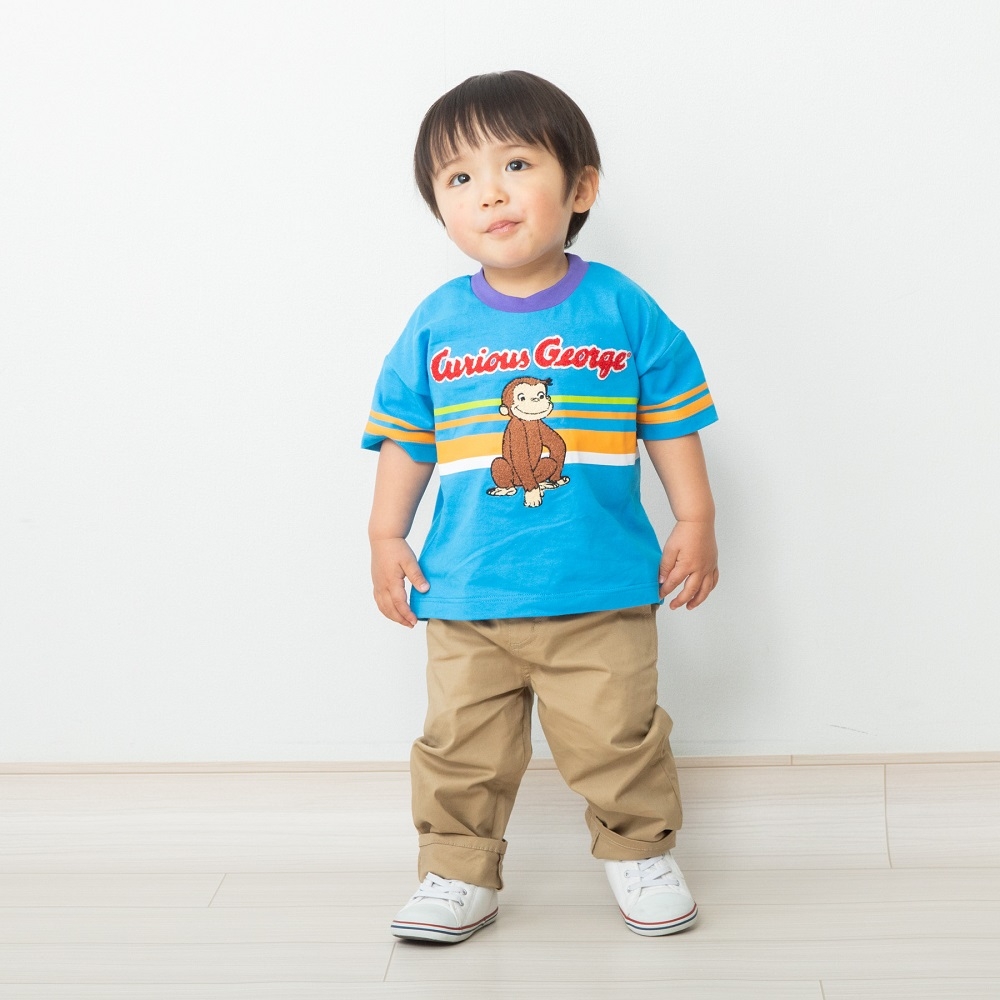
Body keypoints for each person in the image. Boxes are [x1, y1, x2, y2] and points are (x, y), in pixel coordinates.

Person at [362, 70, 719, 943]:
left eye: (516, 164)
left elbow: (670, 418)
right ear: (441, 209)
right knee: (460, 746)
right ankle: (456, 871)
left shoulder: (621, 308)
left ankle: (638, 851)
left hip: (600, 588)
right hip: (467, 593)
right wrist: (384, 533)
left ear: (581, 187)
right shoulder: (437, 323)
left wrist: (696, 519)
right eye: (460, 178)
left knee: (616, 735)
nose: (489, 192)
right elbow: (408, 436)